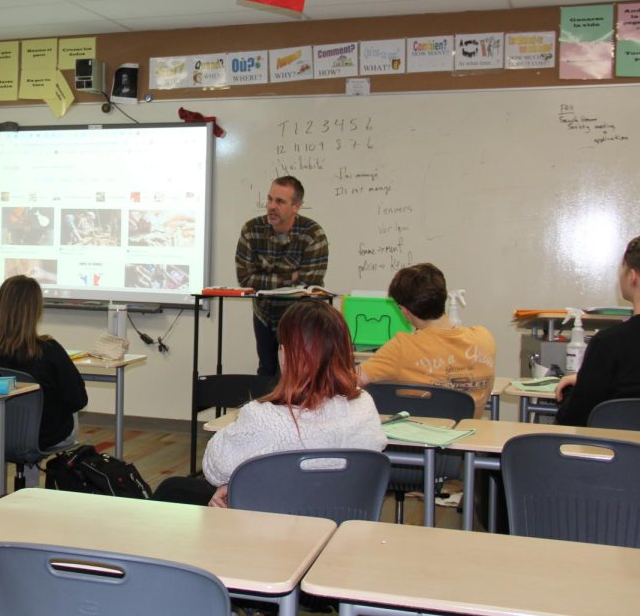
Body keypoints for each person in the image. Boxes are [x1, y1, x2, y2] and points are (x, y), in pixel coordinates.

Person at [154, 300, 385, 506]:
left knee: (173, 489)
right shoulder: (364, 405)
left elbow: (215, 469)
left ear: (285, 355)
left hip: (272, 527)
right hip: (341, 524)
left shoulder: (265, 417)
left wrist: (233, 485)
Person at [0, 274, 88, 477]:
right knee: (63, 411)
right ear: (35, 311)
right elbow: (78, 399)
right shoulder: (49, 351)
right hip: (42, 437)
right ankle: (30, 491)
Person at [359, 263, 496, 417]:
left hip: (418, 437)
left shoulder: (402, 348)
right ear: (443, 295)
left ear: (404, 311)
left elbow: (351, 382)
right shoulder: (485, 338)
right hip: (469, 436)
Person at [555, 235, 640, 426]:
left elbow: (575, 418)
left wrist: (575, 390)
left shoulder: (609, 343)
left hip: (616, 453)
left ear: (632, 277)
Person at [235, 175, 329, 375]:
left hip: (300, 317)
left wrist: (269, 279)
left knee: (300, 374)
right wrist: (290, 278)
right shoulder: (251, 230)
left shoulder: (313, 234)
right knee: (266, 372)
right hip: (264, 315)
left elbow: (307, 284)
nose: (271, 206)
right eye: (269, 199)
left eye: (280, 201)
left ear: (296, 206)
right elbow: (245, 278)